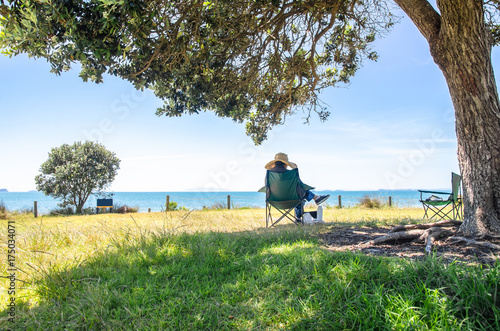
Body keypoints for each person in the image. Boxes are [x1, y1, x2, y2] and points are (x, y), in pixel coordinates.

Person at [264, 153, 330, 220]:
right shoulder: (291, 174)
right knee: (301, 194)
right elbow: (301, 185)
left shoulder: (270, 175)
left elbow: (267, 187)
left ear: (274, 164)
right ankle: (314, 199)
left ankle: (316, 198)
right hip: (293, 201)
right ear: (285, 164)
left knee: (299, 192)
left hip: (274, 202)